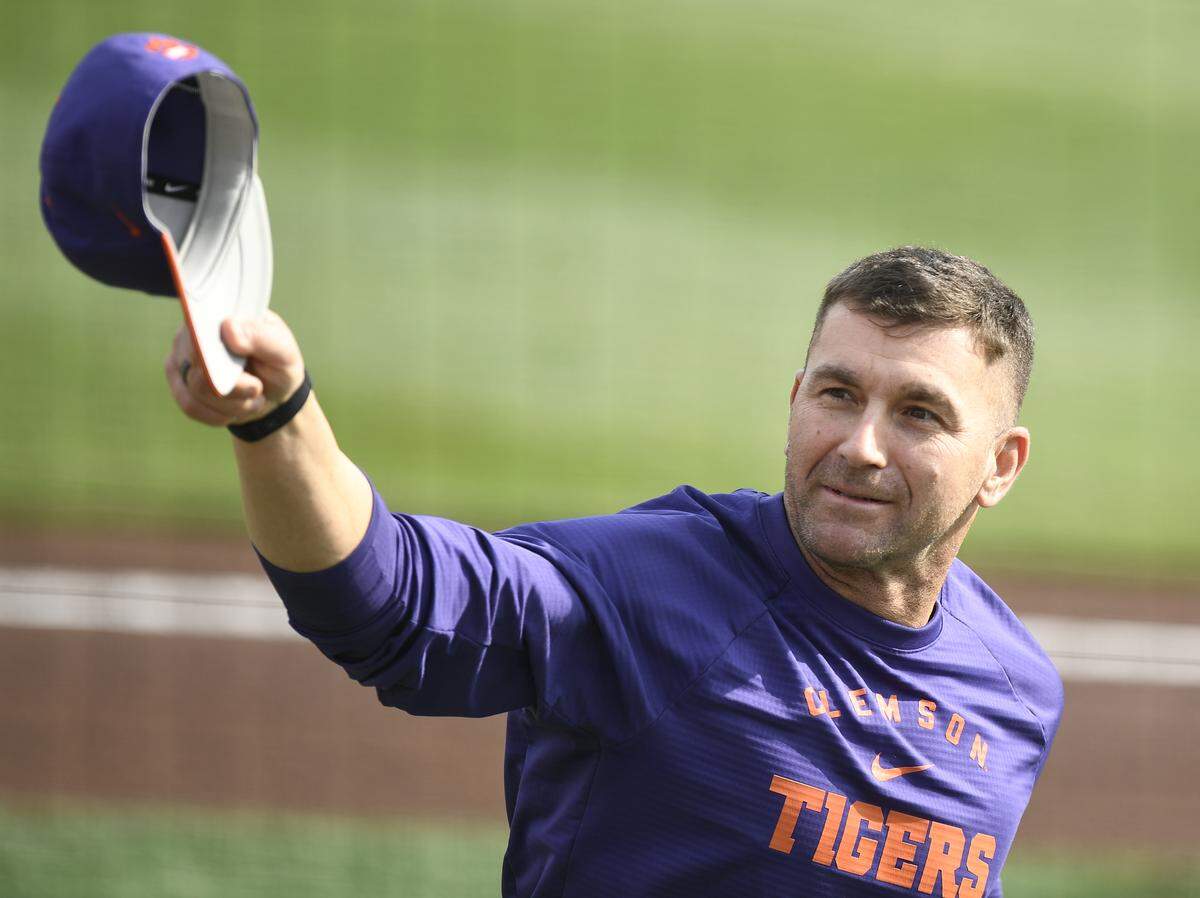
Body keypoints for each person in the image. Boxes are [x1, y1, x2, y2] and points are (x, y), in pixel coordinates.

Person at [165, 246, 1063, 897]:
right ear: (796, 401)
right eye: (837, 394)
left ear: (1001, 464)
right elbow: (389, 603)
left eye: (918, 413)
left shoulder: (1015, 693)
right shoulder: (652, 589)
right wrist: (275, 415)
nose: (860, 446)